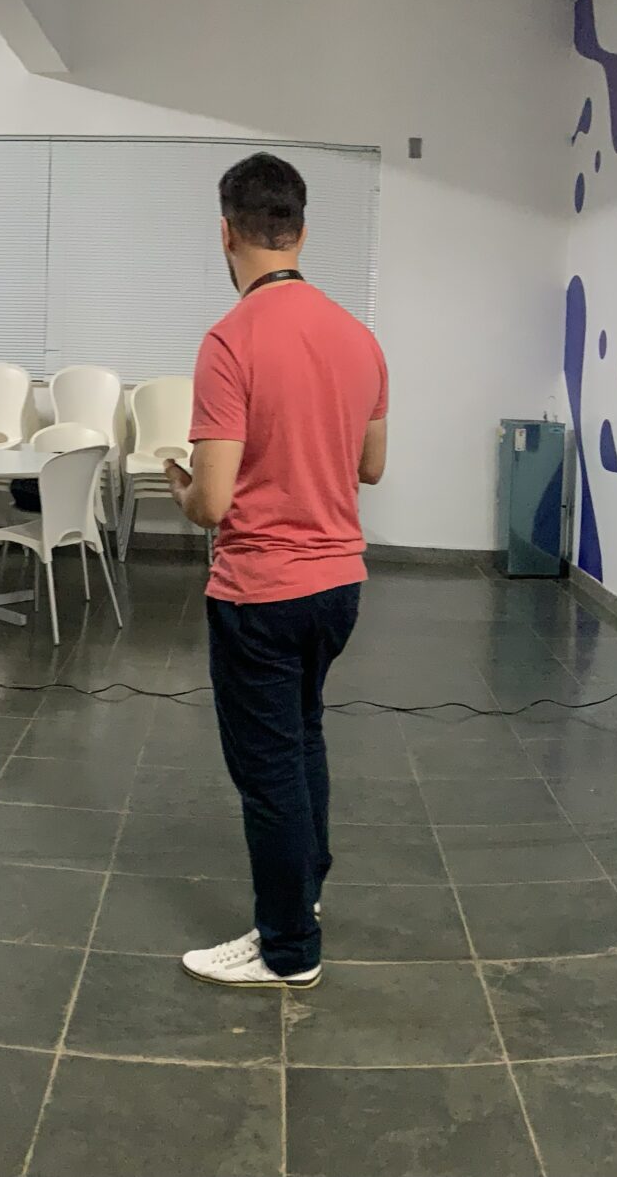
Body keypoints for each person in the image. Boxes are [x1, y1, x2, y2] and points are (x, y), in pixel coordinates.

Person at [169, 152, 388, 991]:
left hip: (260, 593)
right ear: (299, 230)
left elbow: (214, 502)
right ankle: (306, 890)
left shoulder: (230, 342)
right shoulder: (359, 338)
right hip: (339, 586)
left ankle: (289, 948)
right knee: (304, 737)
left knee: (267, 772)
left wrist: (182, 486)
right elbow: (371, 466)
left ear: (226, 233)